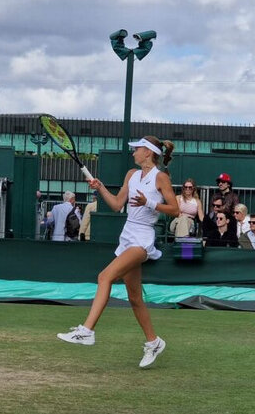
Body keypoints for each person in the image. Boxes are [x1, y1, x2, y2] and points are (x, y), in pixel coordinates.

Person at [57, 136, 178, 369]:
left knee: (105, 277)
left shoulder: (161, 177)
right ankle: (154, 342)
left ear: (148, 152)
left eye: (137, 149)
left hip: (142, 238)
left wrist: (149, 204)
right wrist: (100, 187)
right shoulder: (131, 175)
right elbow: (116, 205)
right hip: (127, 235)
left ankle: (87, 331)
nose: (133, 152)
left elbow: (175, 209)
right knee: (134, 298)